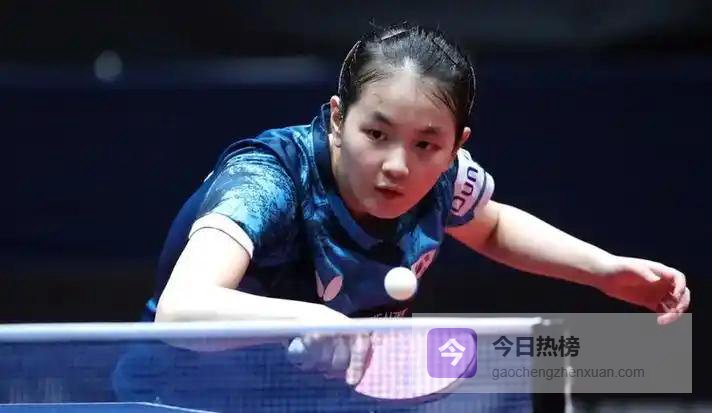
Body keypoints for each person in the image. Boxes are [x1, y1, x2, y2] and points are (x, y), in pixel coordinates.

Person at [115, 23, 690, 412]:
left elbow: (490, 225)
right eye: (376, 133)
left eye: (426, 144)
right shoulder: (267, 181)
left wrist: (604, 270)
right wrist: (312, 319)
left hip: (312, 395)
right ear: (338, 118)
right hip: (181, 397)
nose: (398, 166)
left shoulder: (444, 177)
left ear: (456, 144)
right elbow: (182, 309)